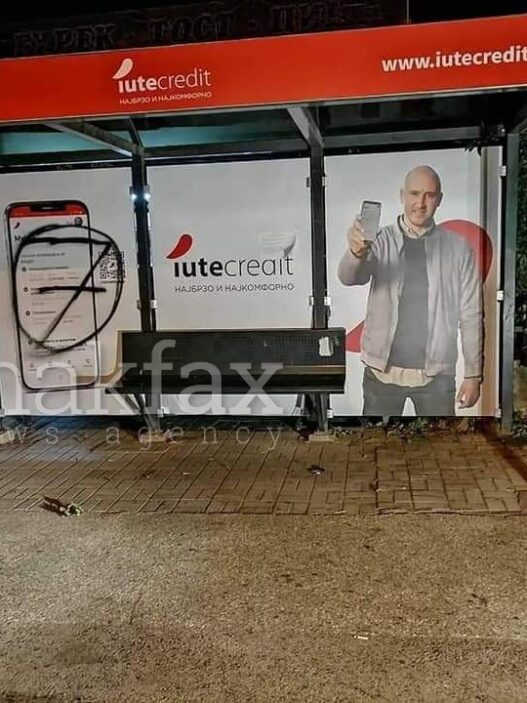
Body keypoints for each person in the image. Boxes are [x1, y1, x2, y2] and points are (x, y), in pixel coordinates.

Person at [337, 165, 483, 416]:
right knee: (375, 442)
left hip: (436, 377)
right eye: (414, 193)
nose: (421, 203)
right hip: (381, 375)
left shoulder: (458, 249)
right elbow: (349, 277)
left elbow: (471, 314)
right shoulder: (378, 240)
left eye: (430, 195)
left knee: (440, 443)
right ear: (402, 195)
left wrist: (473, 374)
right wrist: (356, 253)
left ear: (439, 200)